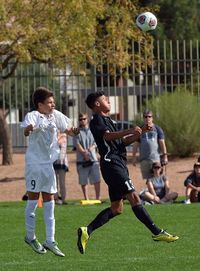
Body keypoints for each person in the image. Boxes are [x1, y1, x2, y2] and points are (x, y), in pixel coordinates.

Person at [77, 91, 179, 255]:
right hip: (112, 164)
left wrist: (141, 132)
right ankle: (157, 232)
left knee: (117, 208)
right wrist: (129, 129)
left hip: (117, 163)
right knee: (134, 197)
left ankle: (86, 230)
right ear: (96, 104)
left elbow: (121, 143)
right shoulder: (97, 120)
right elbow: (108, 137)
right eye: (104, 99)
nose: (108, 100)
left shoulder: (109, 120)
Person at [21, 86, 79, 257]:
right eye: (49, 102)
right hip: (34, 165)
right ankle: (30, 236)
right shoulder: (33, 116)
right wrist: (30, 128)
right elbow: (25, 130)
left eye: (53, 102)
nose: (53, 104)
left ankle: (50, 240)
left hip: (48, 165)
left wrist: (74, 131)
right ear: (40, 104)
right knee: (32, 201)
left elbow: (68, 129)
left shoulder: (56, 115)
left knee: (50, 200)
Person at [132, 110, 168, 181]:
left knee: (157, 178)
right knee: (148, 181)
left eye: (149, 116)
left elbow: (162, 143)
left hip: (155, 159)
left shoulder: (157, 129)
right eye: (145, 116)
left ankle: (158, 192)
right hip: (144, 160)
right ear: (143, 118)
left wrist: (165, 156)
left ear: (152, 118)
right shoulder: (140, 130)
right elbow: (136, 144)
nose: (147, 118)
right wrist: (134, 157)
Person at [75, 112, 101, 200]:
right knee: (83, 181)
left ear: (87, 119)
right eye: (80, 119)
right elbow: (77, 144)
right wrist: (84, 153)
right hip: (81, 160)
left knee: (97, 179)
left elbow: (96, 142)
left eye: (84, 119)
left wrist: (89, 149)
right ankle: (86, 199)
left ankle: (98, 198)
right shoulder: (77, 131)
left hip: (93, 159)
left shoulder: (93, 130)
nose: (82, 121)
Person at [53, 131, 69, 205]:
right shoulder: (53, 136)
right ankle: (55, 198)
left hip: (62, 163)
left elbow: (58, 143)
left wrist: (57, 137)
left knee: (62, 182)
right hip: (54, 162)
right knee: (54, 183)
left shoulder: (64, 136)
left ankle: (63, 198)